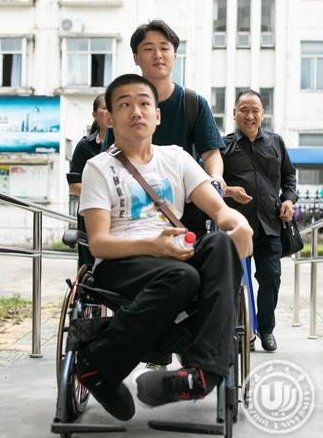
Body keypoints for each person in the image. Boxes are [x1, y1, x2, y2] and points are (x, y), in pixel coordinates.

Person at [77, 74, 253, 420]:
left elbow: (219, 211)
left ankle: (201, 374)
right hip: (122, 260)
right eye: (125, 104)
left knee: (219, 244)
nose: (136, 111)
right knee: (184, 277)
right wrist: (153, 246)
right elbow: (98, 243)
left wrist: (239, 224)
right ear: (109, 117)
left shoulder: (176, 158)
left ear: (157, 115)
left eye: (144, 103)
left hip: (174, 255)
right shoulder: (97, 168)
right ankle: (97, 364)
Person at [102, 19, 225, 237]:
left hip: (186, 213)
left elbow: (211, 152)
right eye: (148, 49)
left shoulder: (193, 103)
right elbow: (111, 154)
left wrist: (215, 177)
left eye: (164, 48)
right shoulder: (123, 104)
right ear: (136, 58)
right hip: (133, 213)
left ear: (175, 56)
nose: (158, 55)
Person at [221, 89, 297, 352]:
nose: (249, 116)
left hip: (269, 225)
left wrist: (288, 200)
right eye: (244, 110)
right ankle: (242, 331)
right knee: (235, 282)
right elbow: (211, 181)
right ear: (234, 113)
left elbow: (289, 176)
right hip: (237, 227)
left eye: (255, 110)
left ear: (263, 113)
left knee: (271, 278)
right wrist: (229, 191)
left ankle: (266, 330)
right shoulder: (223, 146)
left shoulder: (276, 142)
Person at [67, 94, 110, 268]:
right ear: (94, 115)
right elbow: (74, 185)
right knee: (89, 264)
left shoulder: (129, 145)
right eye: (105, 108)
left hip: (120, 215)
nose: (109, 112)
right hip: (90, 215)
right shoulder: (85, 146)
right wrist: (104, 196)